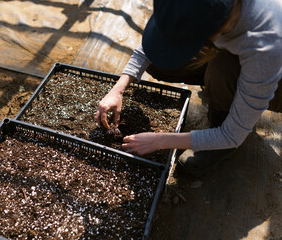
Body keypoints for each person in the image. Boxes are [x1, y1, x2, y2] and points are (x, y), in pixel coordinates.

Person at [95, 0, 282, 176]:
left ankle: (222, 126)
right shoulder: (196, 8)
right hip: (231, 44)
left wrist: (160, 140)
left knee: (222, 68)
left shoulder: (265, 46)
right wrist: (118, 88)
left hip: (275, 79)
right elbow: (164, 31)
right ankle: (221, 89)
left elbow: (232, 134)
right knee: (159, 58)